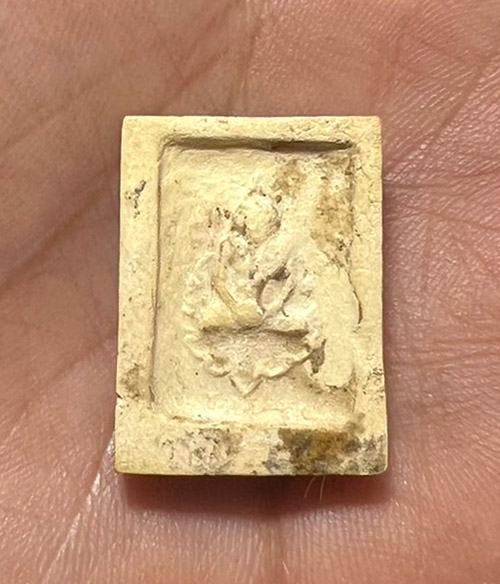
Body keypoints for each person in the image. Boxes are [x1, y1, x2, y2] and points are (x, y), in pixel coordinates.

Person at [1, 0, 499, 582]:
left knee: (274, 312)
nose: (252, 224)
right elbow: (216, 291)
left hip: (276, 327)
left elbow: (291, 295)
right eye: (248, 218)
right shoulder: (226, 250)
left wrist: (274, 298)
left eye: (263, 218)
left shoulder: (286, 249)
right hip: (232, 324)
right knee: (235, 307)